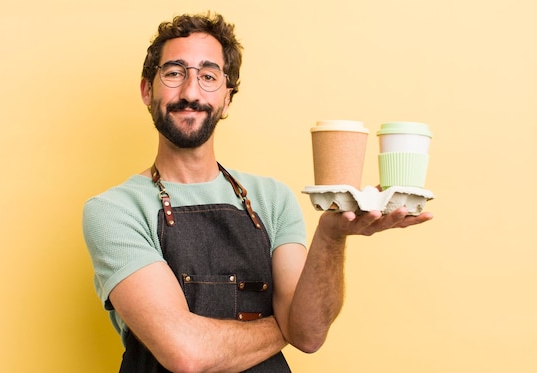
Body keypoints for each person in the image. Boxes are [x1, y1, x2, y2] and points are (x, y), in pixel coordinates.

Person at [82, 12, 433, 373]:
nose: (190, 92)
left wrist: (331, 235)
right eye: (173, 73)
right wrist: (284, 327)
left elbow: (309, 335)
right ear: (147, 90)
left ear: (227, 97)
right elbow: (187, 354)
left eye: (208, 76)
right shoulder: (114, 211)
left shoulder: (272, 198)